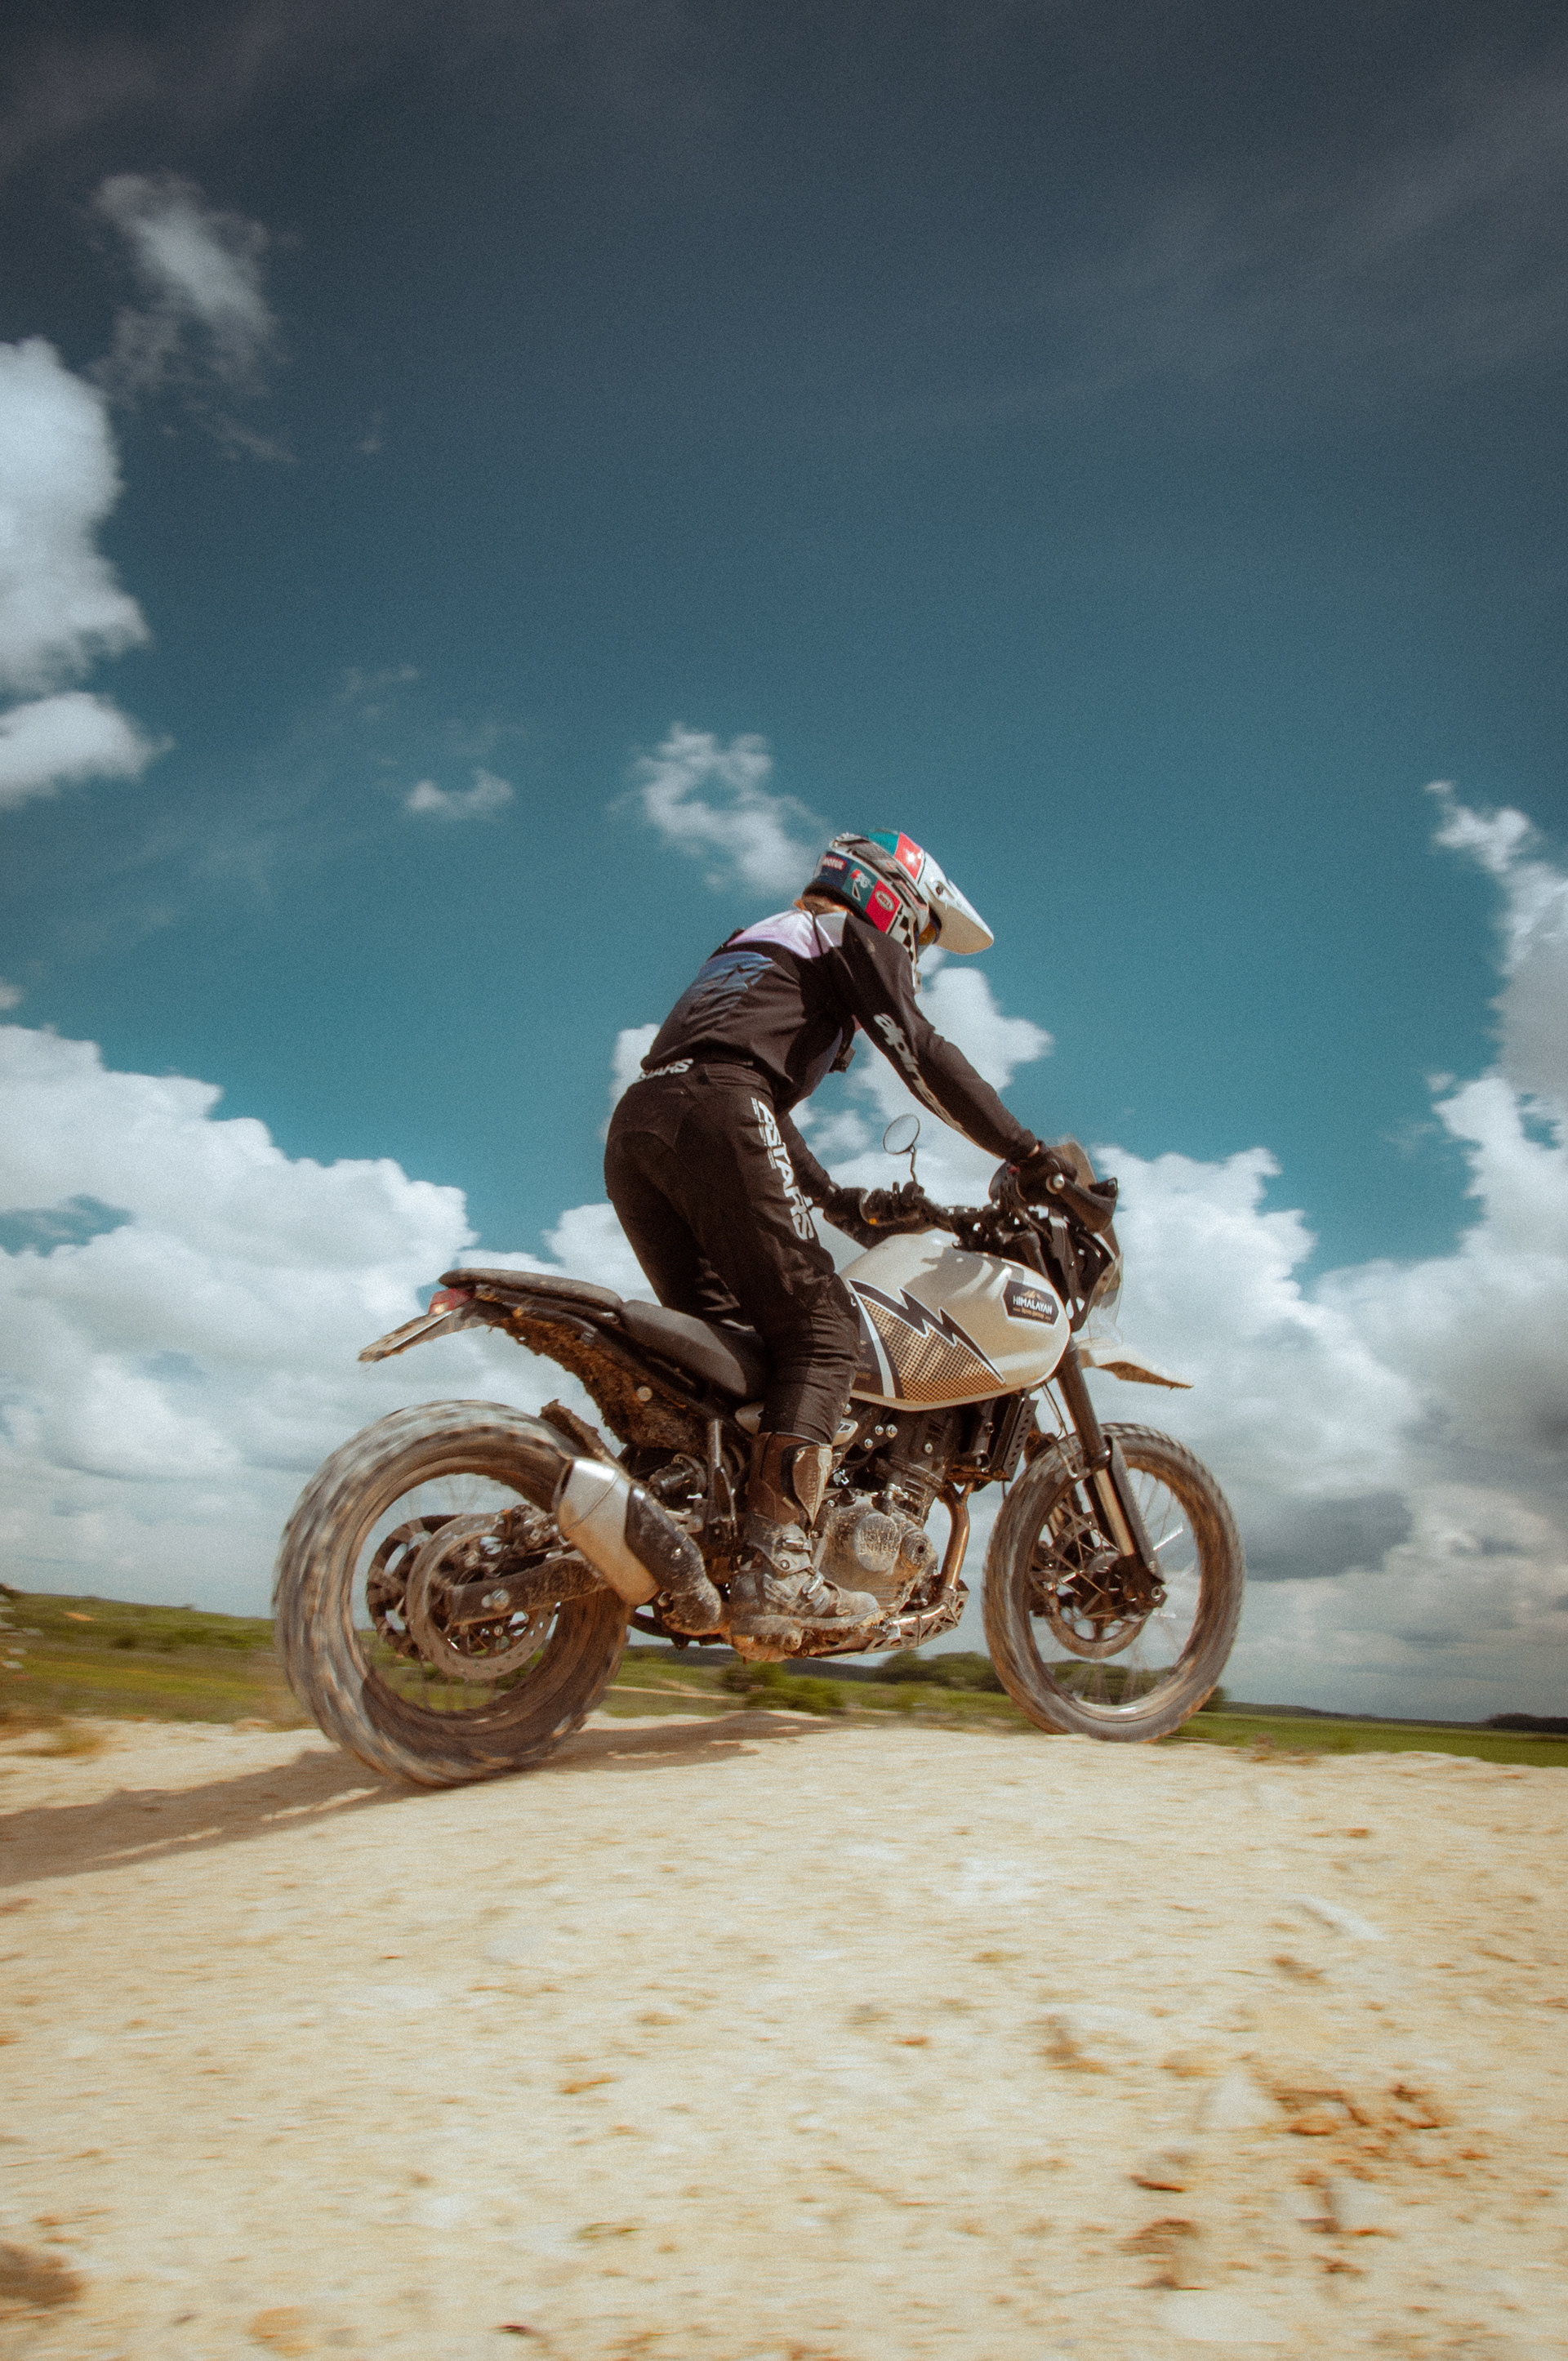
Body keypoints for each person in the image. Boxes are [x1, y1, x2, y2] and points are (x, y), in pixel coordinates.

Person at [604, 830, 1066, 1651]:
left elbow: (745, 1090)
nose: (916, 953)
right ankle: (777, 1572)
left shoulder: (755, 941)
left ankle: (674, 1519)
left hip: (642, 1125)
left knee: (725, 1356)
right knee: (824, 1330)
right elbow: (920, 1053)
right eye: (923, 935)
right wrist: (1031, 1156)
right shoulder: (848, 933)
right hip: (717, 1110)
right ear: (896, 901)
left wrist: (840, 1202)